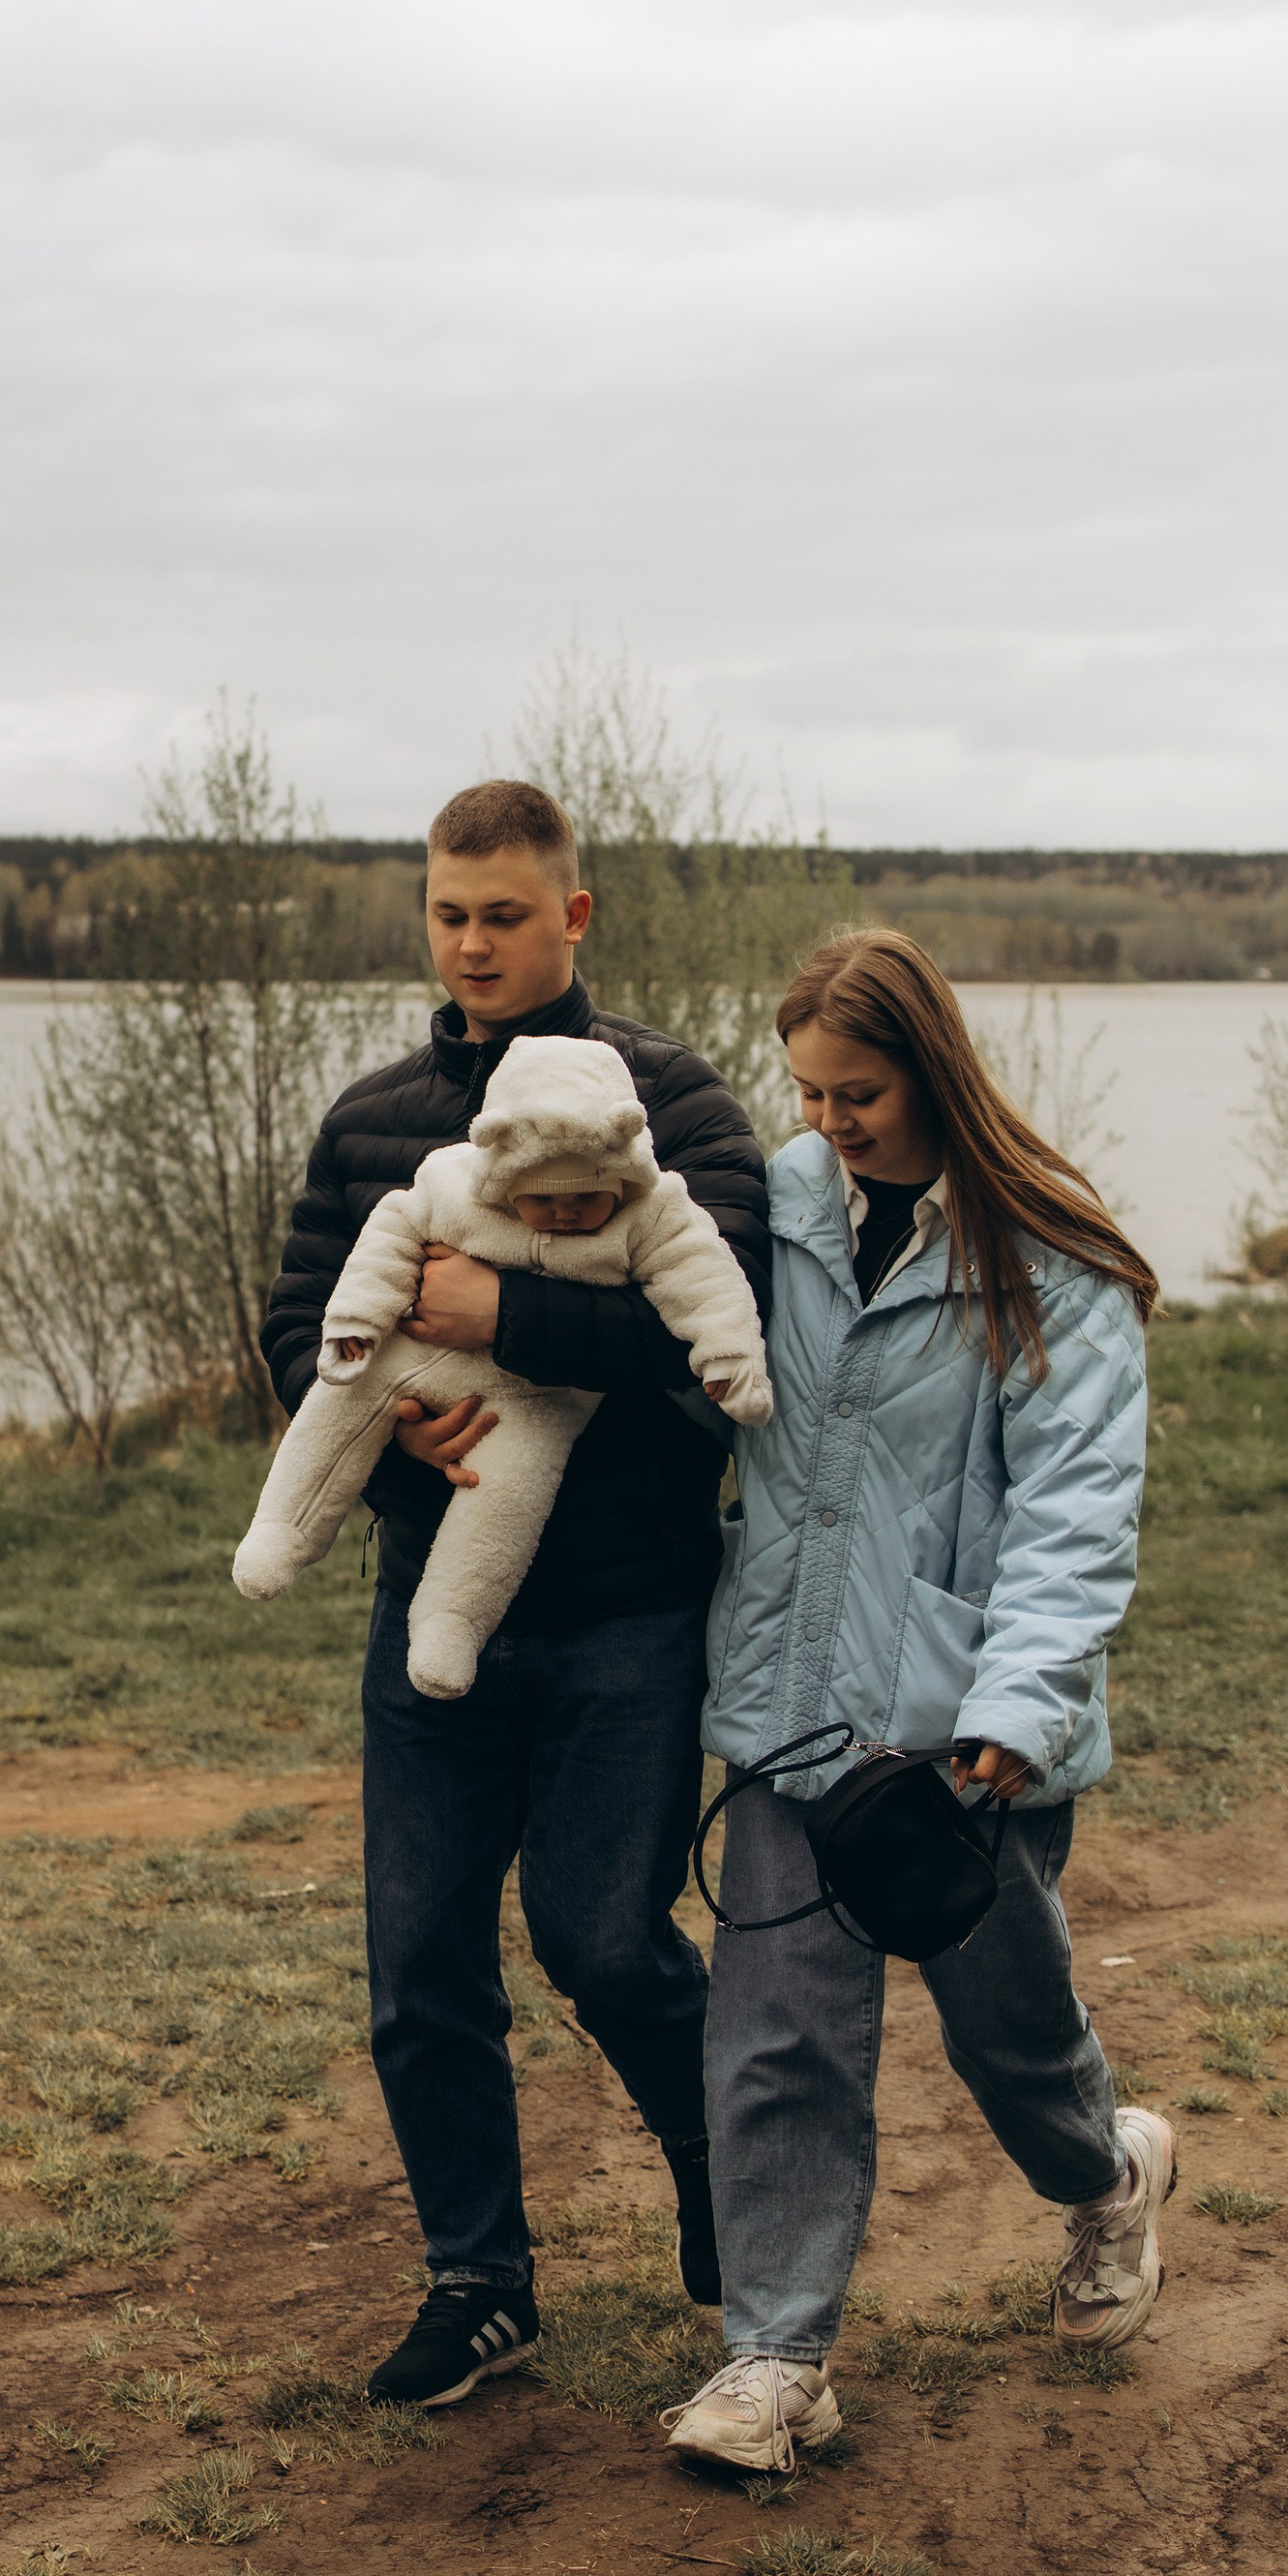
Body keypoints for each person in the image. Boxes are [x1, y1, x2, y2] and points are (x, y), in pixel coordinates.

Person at [260, 778, 770, 2408]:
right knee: (418, 1963)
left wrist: (499, 1315)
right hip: (433, 1611)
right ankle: (481, 2282)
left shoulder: (673, 1114)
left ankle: (716, 2160)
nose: (473, 942)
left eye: (504, 912)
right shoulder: (372, 1120)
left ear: (574, 917)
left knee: (605, 1940)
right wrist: (399, 1420)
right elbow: (296, 1336)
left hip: (630, 1609)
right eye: (448, 913)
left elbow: (724, 1336)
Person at [664, 928, 1171, 2477]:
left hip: (965, 1737)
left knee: (1008, 2034)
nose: (828, 1125)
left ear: (933, 1070)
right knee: (779, 2037)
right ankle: (776, 2357)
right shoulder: (774, 1213)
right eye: (808, 1094)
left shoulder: (1052, 1253)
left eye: (859, 1095)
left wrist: (1019, 1704)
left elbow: (1078, 1506)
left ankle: (1107, 2181)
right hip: (788, 1713)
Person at [234, 1033, 770, 1697]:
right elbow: (387, 1237)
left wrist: (730, 1361)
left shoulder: (654, 1212)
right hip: (415, 1360)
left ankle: (450, 1624)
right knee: (338, 1402)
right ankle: (283, 1530)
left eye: (587, 1196)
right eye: (543, 1197)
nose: (566, 1213)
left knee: (509, 1499)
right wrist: (356, 1322)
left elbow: (709, 1282)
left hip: (537, 1400)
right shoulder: (450, 1182)